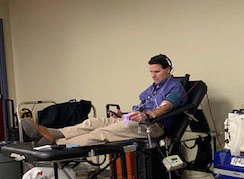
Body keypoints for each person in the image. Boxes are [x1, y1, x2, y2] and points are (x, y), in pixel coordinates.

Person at [22, 54, 187, 146]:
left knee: (101, 134)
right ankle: (49, 133)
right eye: (151, 72)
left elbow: (164, 108)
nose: (153, 75)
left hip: (153, 127)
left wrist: (147, 115)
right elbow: (142, 108)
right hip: (134, 120)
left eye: (156, 71)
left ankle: (56, 145)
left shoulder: (175, 88)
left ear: (168, 69)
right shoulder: (154, 87)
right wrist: (124, 113)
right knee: (92, 123)